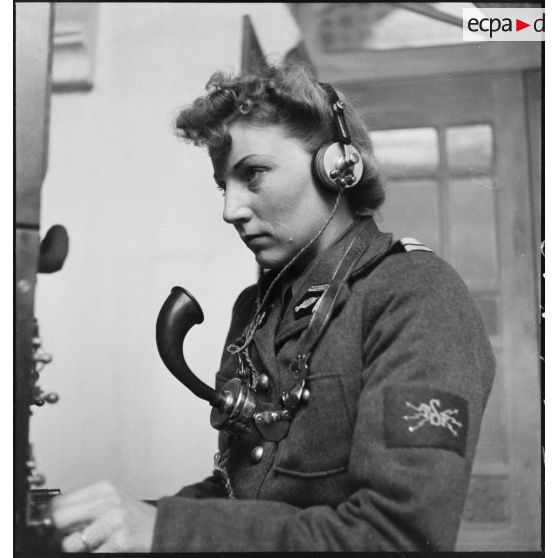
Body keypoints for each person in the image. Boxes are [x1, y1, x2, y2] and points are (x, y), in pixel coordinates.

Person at [49, 63, 495, 552]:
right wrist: (123, 522)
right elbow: (240, 494)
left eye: (253, 174)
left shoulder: (417, 296)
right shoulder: (257, 310)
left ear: (338, 167)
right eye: (224, 185)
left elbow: (398, 539)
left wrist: (164, 531)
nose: (230, 210)